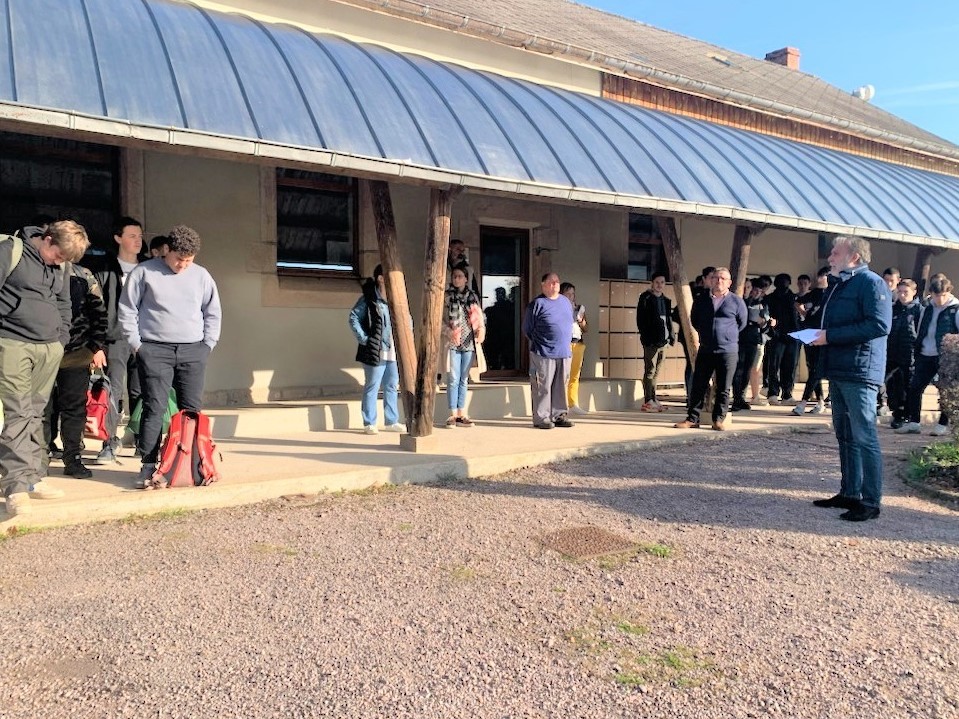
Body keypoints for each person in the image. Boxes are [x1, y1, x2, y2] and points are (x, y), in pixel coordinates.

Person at [119, 225, 222, 488]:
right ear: (167, 250)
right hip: (154, 350)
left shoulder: (201, 276)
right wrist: (137, 345)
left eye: (188, 261)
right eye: (178, 259)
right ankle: (148, 465)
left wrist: (207, 344)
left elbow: (212, 312)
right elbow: (127, 309)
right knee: (154, 408)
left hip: (193, 350)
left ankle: (192, 463)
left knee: (192, 411)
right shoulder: (144, 272)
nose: (182, 265)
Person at [1, 221, 89, 516]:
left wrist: (60, 339)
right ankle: (15, 488)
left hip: (49, 348)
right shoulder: (11, 252)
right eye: (58, 255)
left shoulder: (60, 266)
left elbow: (64, 302)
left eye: (66, 260)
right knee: (18, 413)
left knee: (38, 414)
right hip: (12, 344)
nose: (59, 262)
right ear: (47, 239)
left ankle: (34, 478)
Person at [811, 235, 891, 522]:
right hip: (840, 368)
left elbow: (879, 324)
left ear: (854, 257)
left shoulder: (871, 283)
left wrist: (829, 337)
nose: (830, 257)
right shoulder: (838, 284)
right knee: (845, 434)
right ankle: (849, 493)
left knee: (864, 436)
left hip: (860, 371)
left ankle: (870, 501)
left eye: (835, 253)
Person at [41, 262, 109, 479]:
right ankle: (39, 459)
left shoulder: (83, 274)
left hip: (77, 354)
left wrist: (96, 345)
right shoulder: (37, 269)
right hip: (43, 352)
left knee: (74, 409)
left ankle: (73, 457)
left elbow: (99, 311)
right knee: (42, 409)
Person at [93, 217, 144, 464]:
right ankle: (109, 443)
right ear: (118, 238)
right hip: (114, 340)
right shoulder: (104, 269)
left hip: (145, 340)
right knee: (112, 392)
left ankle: (140, 440)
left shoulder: (149, 268)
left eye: (139, 236)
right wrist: (97, 345)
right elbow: (96, 309)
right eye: (132, 235)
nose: (138, 240)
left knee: (141, 391)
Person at [674, 267, 747, 431]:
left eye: (723, 278)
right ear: (710, 280)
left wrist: (726, 335)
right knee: (698, 384)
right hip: (706, 349)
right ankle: (692, 418)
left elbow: (741, 324)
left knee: (723, 388)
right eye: (716, 278)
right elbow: (695, 320)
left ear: (729, 282)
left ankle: (718, 419)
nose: (719, 281)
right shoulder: (701, 299)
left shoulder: (736, 301)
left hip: (727, 351)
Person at [895, 274, 959, 437]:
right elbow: (922, 327)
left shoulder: (955, 309)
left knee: (944, 390)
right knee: (915, 387)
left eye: (943, 295)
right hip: (925, 353)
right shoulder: (928, 307)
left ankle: (942, 424)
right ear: (932, 294)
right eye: (937, 295)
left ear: (948, 293)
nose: (940, 299)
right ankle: (914, 422)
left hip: (945, 356)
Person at [349, 264, 406, 435]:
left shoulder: (396, 299)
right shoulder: (369, 298)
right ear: (381, 278)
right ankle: (369, 422)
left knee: (391, 385)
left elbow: (406, 319)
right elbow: (353, 317)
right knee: (372, 385)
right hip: (375, 349)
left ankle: (391, 420)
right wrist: (365, 339)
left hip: (393, 350)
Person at [524, 272, 574, 429]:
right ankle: (542, 418)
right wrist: (541, 342)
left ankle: (559, 415)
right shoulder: (537, 304)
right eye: (551, 282)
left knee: (561, 386)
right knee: (543, 386)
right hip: (543, 352)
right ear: (543, 285)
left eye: (557, 282)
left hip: (563, 352)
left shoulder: (565, 302)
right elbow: (527, 329)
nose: (555, 285)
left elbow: (569, 322)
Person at [442, 264, 485, 427]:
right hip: (452, 341)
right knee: (453, 378)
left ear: (466, 279)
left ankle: (462, 413)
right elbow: (439, 320)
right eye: (454, 277)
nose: (457, 279)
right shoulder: (446, 297)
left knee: (464, 378)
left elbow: (479, 317)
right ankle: (452, 414)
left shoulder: (472, 296)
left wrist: (481, 329)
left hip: (469, 341)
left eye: (460, 276)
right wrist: (448, 331)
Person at [793, 267, 829, 415]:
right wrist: (804, 313)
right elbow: (797, 301)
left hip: (824, 335)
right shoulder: (814, 293)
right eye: (819, 276)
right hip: (810, 333)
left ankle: (803, 402)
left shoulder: (832, 294)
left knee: (816, 369)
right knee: (812, 368)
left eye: (823, 276)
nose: (820, 279)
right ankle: (820, 401)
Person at [636, 272, 674, 412]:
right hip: (651, 341)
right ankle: (648, 399)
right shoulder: (645, 298)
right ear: (652, 283)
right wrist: (646, 338)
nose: (659, 285)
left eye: (662, 282)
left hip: (663, 340)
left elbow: (668, 321)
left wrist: (671, 337)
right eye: (657, 282)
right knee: (650, 370)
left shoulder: (666, 300)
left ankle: (654, 396)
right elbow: (641, 321)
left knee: (657, 371)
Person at [731, 279, 770, 411]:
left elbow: (765, 324)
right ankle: (736, 398)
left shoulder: (761, 304)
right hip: (739, 339)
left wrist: (764, 322)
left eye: (750, 287)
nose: (750, 291)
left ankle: (741, 397)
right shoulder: (738, 301)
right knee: (738, 369)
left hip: (754, 339)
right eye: (747, 288)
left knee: (748, 369)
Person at [887, 279, 921, 430]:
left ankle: (906, 414)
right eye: (899, 291)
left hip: (910, 353)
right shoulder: (893, 309)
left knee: (908, 385)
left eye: (905, 292)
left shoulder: (919, 310)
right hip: (892, 352)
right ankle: (896, 411)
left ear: (914, 292)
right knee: (891, 383)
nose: (902, 295)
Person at [765, 273, 800, 405]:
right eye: (780, 282)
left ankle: (787, 393)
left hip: (793, 336)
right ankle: (773, 392)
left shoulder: (794, 298)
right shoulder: (769, 298)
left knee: (790, 366)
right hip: (776, 336)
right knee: (774, 365)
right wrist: (773, 331)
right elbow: (767, 316)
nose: (783, 285)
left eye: (786, 282)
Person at [560, 282, 589, 415]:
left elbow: (586, 328)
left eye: (572, 294)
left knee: (574, 375)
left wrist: (581, 321)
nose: (571, 297)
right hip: (565, 343)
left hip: (578, 343)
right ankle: (561, 404)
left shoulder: (578, 308)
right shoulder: (558, 308)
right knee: (562, 375)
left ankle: (573, 403)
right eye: (568, 294)